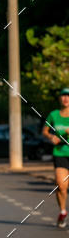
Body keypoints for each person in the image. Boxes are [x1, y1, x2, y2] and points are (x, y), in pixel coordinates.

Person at [43, 86, 69, 228]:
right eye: (63, 95)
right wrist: (51, 137)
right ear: (60, 98)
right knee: (61, 185)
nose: (66, 98)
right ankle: (63, 211)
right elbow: (45, 131)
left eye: (68, 96)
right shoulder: (54, 115)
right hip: (60, 153)